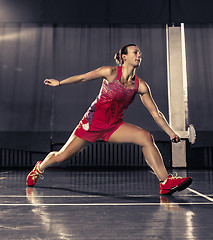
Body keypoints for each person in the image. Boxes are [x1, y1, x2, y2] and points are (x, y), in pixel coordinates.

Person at [26, 44, 192, 195]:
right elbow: (83, 77)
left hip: (113, 126)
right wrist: (60, 83)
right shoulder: (110, 72)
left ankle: (165, 182)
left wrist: (170, 132)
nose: (139, 55)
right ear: (124, 57)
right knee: (61, 157)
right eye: (135, 52)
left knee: (146, 137)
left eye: (140, 53)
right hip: (91, 124)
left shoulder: (141, 86)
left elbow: (156, 113)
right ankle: (39, 168)